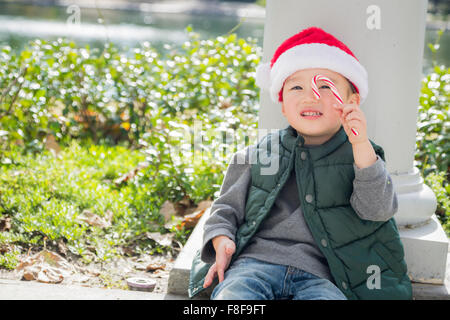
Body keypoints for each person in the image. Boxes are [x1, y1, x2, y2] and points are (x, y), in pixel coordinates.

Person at [188, 26, 412, 300]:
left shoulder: (362, 154)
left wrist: (361, 145)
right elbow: (225, 208)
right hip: (253, 266)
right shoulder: (260, 152)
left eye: (325, 86)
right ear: (283, 104)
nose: (311, 96)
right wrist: (221, 239)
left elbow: (377, 211)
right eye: (296, 87)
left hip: (324, 276)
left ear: (352, 101)